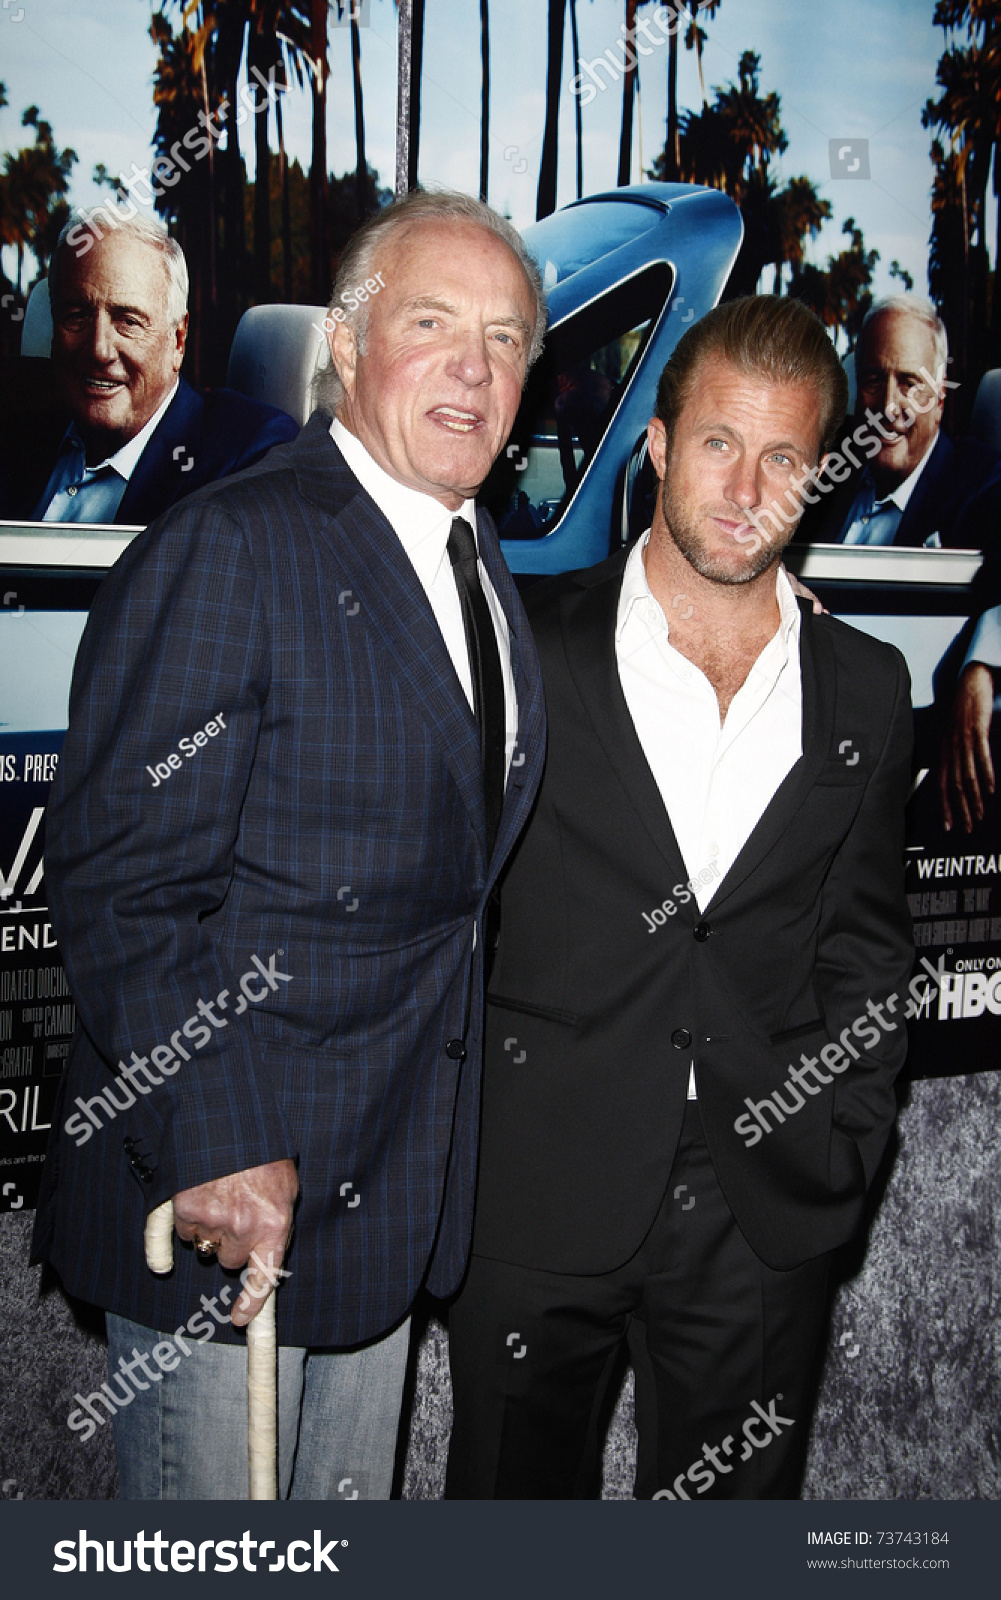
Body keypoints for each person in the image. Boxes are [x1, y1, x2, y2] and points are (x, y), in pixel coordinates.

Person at [31, 188, 547, 1500]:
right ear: (351, 342)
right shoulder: (233, 545)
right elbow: (125, 881)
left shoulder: (479, 563)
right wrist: (209, 1139)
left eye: (504, 339)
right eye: (433, 323)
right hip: (228, 1212)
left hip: (384, 1210)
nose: (473, 367)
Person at [445, 295, 915, 1500]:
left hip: (763, 1204)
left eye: (782, 458)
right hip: (538, 1182)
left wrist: (843, 1140)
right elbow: (451, 910)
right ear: (655, 444)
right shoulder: (528, 647)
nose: (743, 485)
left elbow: (863, 947)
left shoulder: (862, 687)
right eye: (715, 442)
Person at [1, 207, 297, 526]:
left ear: (178, 341)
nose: (99, 351)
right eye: (76, 316)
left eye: (128, 321)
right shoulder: (15, 439)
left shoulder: (250, 456)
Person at [799, 293, 1001, 550]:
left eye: (909, 384)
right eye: (874, 380)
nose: (888, 407)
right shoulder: (823, 471)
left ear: (938, 401)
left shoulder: (981, 488)